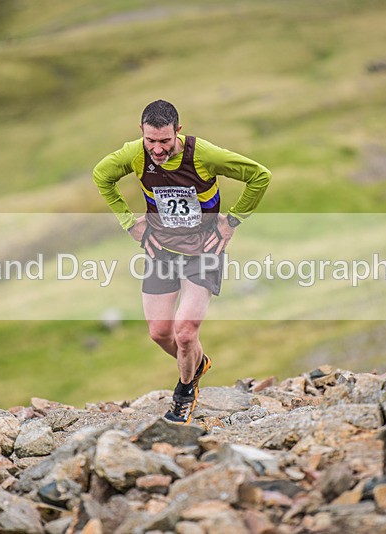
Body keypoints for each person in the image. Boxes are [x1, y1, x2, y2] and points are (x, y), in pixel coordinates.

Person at [92, 100, 271, 424]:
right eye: (150, 141)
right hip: (161, 251)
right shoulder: (135, 154)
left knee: (185, 333)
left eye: (164, 141)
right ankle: (197, 364)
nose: (157, 150)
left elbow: (259, 176)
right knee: (161, 333)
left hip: (204, 250)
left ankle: (184, 394)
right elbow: (102, 175)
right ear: (142, 134)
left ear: (178, 131)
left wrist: (231, 222)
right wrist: (130, 223)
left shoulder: (204, 155)